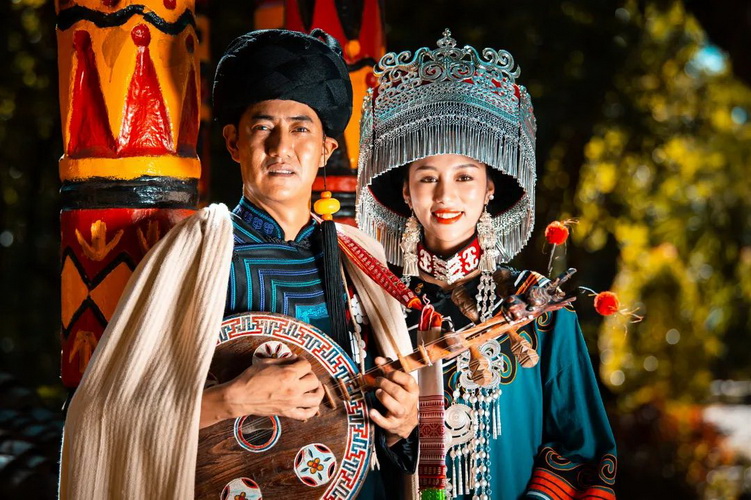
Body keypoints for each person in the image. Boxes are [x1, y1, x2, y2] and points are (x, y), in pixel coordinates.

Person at [60, 29, 419, 500]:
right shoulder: (195, 254)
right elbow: (103, 415)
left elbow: (386, 424)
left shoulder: (358, 258)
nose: (281, 147)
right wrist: (230, 400)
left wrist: (401, 425)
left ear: (326, 150)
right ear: (233, 142)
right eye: (262, 127)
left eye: (301, 129)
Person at [356, 30, 617, 499]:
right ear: (406, 191)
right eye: (427, 177)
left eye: (465, 177)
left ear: (490, 189)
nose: (445, 195)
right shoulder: (371, 304)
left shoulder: (537, 308)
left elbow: (584, 451)